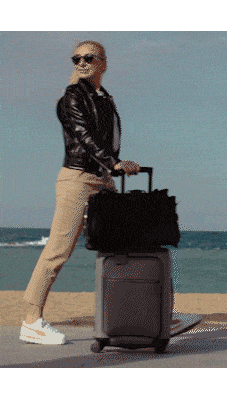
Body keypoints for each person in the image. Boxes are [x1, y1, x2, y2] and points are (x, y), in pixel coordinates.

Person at [20, 40, 196, 345]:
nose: (81, 62)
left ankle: (159, 315)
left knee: (132, 242)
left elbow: (105, 140)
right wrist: (114, 163)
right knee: (58, 250)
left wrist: (114, 165)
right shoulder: (72, 97)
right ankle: (31, 321)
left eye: (88, 57)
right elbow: (85, 136)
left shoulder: (104, 98)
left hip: (102, 179)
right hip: (78, 179)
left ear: (103, 62)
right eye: (76, 59)